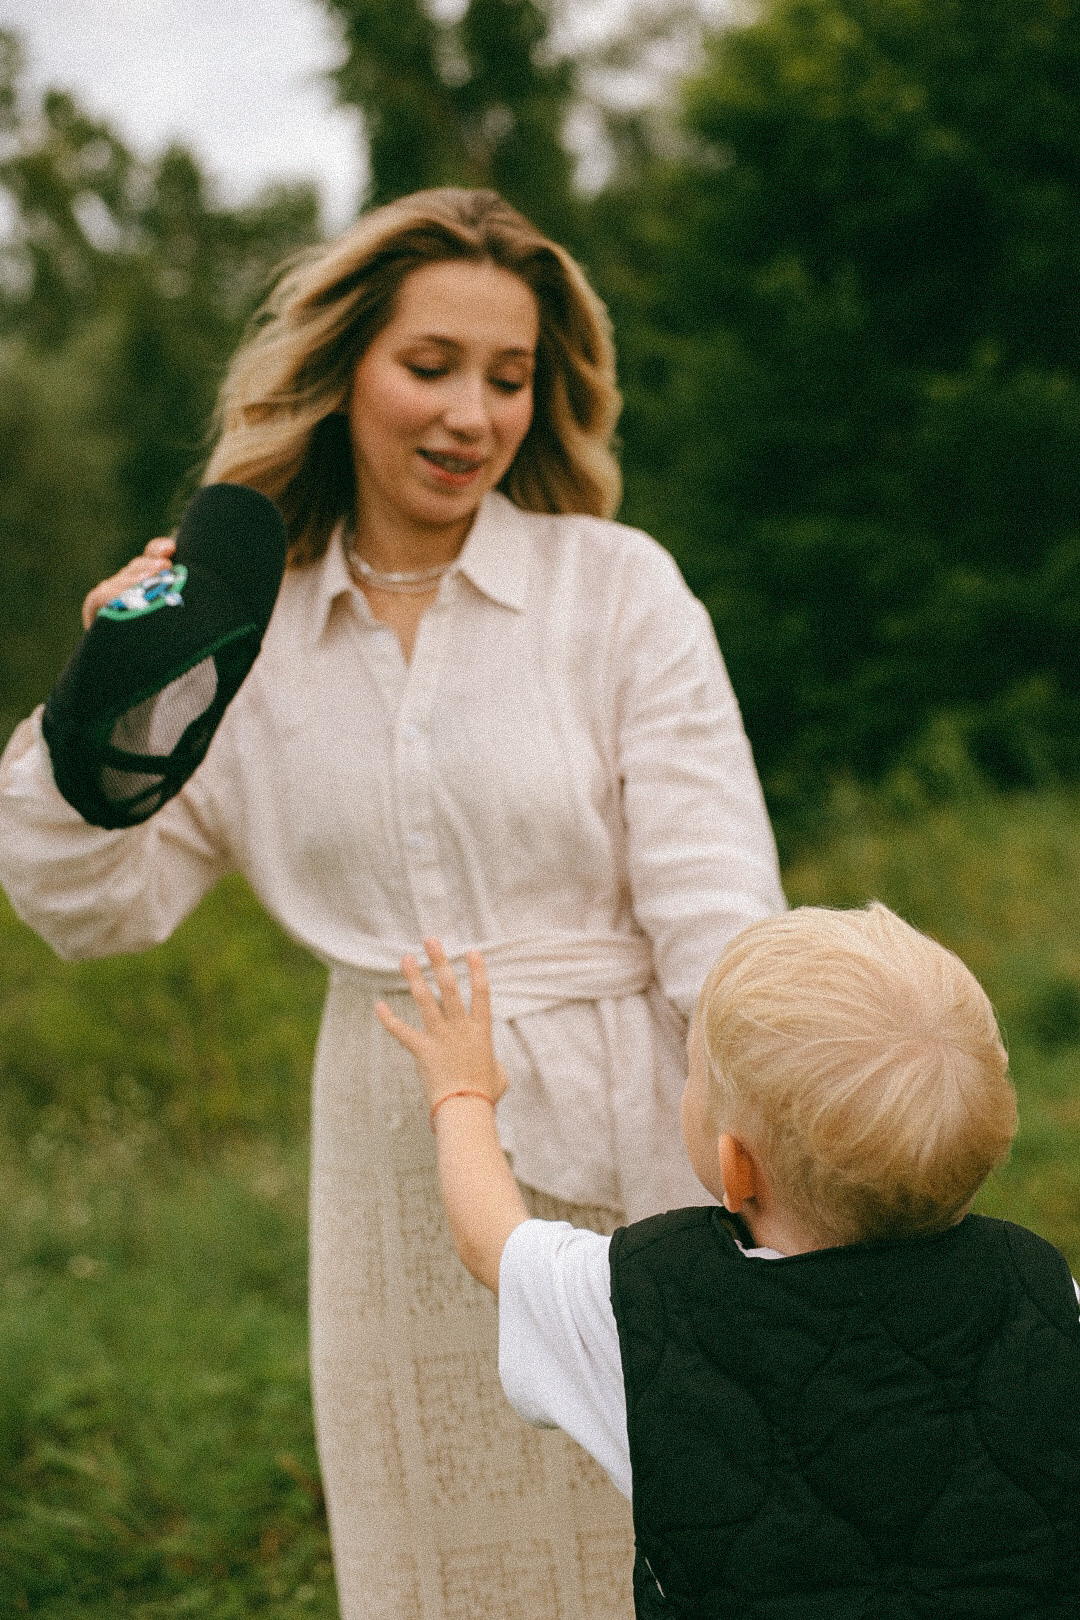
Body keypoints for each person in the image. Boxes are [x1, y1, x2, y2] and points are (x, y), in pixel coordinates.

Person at [0, 188, 785, 1618]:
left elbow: (719, 910)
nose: (472, 415)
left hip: (640, 1128)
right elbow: (95, 902)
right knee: (435, 1559)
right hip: (390, 1152)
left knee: (661, 1551)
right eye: (432, 366)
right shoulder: (253, 634)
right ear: (345, 369)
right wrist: (106, 702)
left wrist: (771, 1158)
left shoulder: (615, 590)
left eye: (509, 377)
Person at [378, 907, 1080, 1619]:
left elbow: (492, 1239)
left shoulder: (639, 1305)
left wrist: (461, 1091)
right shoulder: (1053, 1300)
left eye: (694, 1075)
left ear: (736, 1164)